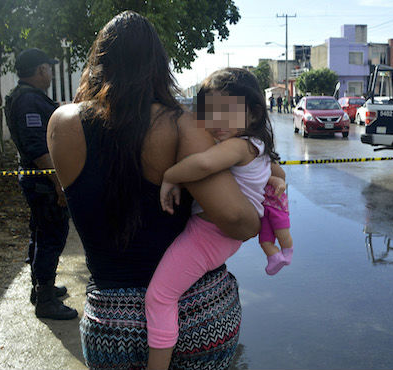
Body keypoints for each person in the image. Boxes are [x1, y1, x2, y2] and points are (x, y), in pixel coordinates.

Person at [47, 11, 260, 369]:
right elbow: (240, 222)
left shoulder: (61, 122)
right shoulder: (181, 125)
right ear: (160, 66)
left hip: (109, 324)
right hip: (196, 316)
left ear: (99, 62)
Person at [146, 68, 290, 369]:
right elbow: (277, 171)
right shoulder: (257, 145)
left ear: (252, 114)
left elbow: (203, 163)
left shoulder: (237, 147)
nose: (217, 123)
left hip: (209, 235)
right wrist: (278, 181)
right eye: (210, 113)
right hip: (219, 235)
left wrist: (170, 176)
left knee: (159, 297)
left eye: (227, 113)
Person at [4, 48, 77, 320]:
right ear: (40, 70)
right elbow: (37, 149)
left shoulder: (29, 98)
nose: (50, 72)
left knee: (41, 234)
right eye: (48, 67)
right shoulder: (28, 102)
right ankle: (45, 300)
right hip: (43, 183)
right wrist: (59, 183)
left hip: (38, 181)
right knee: (51, 237)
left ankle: (41, 289)